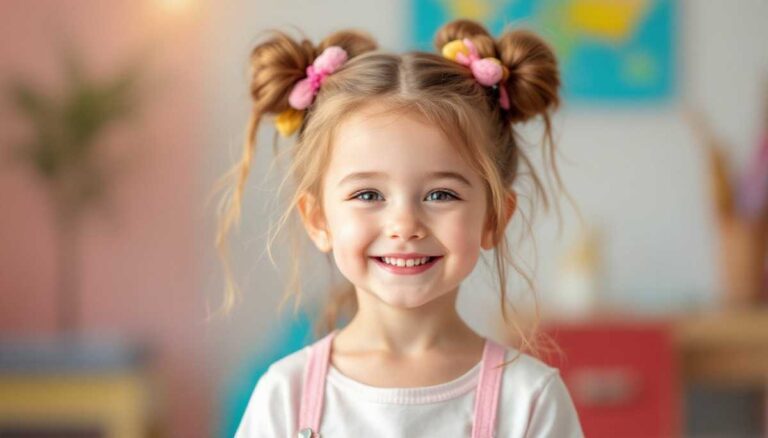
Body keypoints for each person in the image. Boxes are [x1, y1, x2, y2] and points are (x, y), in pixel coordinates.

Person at [217, 18, 584, 437]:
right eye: (369, 195)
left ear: (494, 217)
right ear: (318, 219)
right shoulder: (286, 395)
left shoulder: (528, 400)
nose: (404, 225)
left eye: (440, 195)